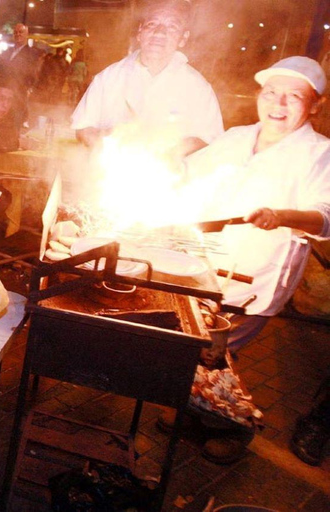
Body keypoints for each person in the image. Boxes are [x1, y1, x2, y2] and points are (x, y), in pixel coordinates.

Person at [179, 56, 330, 463]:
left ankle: (234, 427)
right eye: (271, 92)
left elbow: (325, 217)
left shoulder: (319, 153)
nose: (278, 103)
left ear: (315, 104)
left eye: (293, 96)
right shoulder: (238, 136)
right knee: (200, 350)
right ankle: (196, 416)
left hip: (256, 280)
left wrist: (281, 215)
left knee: (213, 353)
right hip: (207, 267)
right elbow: (190, 171)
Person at [71, 0, 223, 156]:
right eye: (152, 24)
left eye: (172, 27)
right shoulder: (109, 77)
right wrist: (110, 141)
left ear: (183, 38)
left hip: (173, 178)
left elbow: (212, 140)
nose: (159, 32)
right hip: (107, 176)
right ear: (140, 32)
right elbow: (82, 128)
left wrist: (169, 152)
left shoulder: (198, 87)